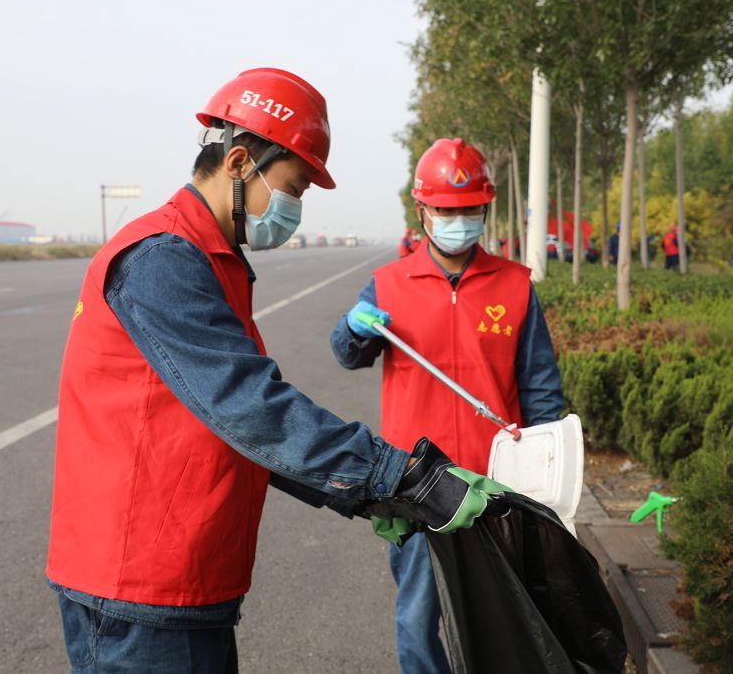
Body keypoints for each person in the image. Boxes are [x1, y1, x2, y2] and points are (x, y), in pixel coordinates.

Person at [45, 69, 503, 673]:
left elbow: (244, 426)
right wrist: (402, 478)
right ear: (238, 164)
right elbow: (251, 408)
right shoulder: (162, 259)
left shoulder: (214, 260)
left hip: (181, 574)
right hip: (140, 586)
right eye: (293, 187)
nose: (294, 210)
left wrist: (364, 498)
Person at [329, 138, 566, 674]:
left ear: (486, 209)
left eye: (468, 211)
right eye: (445, 210)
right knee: (417, 619)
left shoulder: (515, 286)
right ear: (422, 211)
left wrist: (548, 475)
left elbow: (541, 389)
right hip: (416, 483)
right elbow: (347, 355)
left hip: (495, 483)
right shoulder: (389, 285)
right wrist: (352, 328)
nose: (458, 220)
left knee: (504, 614)